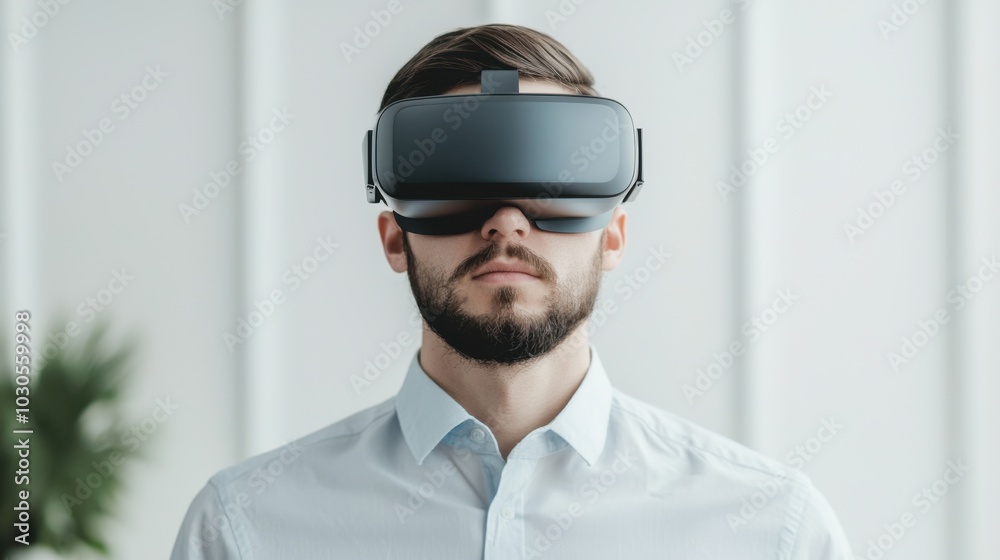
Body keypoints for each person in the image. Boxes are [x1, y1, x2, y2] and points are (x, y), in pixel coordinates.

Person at [170, 23, 854, 559]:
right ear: (393, 238)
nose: (507, 219)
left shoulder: (770, 531)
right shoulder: (245, 530)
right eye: (457, 179)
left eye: (552, 180)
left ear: (613, 236)